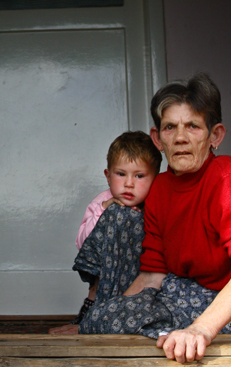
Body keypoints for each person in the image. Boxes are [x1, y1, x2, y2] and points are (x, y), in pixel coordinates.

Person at [77, 72, 231, 364]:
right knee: (100, 319)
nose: (181, 138)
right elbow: (152, 273)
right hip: (173, 292)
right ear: (157, 138)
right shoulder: (160, 187)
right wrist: (99, 319)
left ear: (215, 135)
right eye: (170, 127)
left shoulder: (228, 177)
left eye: (193, 127)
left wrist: (200, 329)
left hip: (218, 304)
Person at [50, 131, 161, 334]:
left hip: (139, 276)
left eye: (139, 176)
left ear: (155, 178)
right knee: (117, 214)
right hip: (105, 276)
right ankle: (93, 309)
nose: (129, 183)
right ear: (108, 176)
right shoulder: (103, 201)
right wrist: (104, 210)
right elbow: (83, 244)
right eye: (121, 174)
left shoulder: (155, 203)